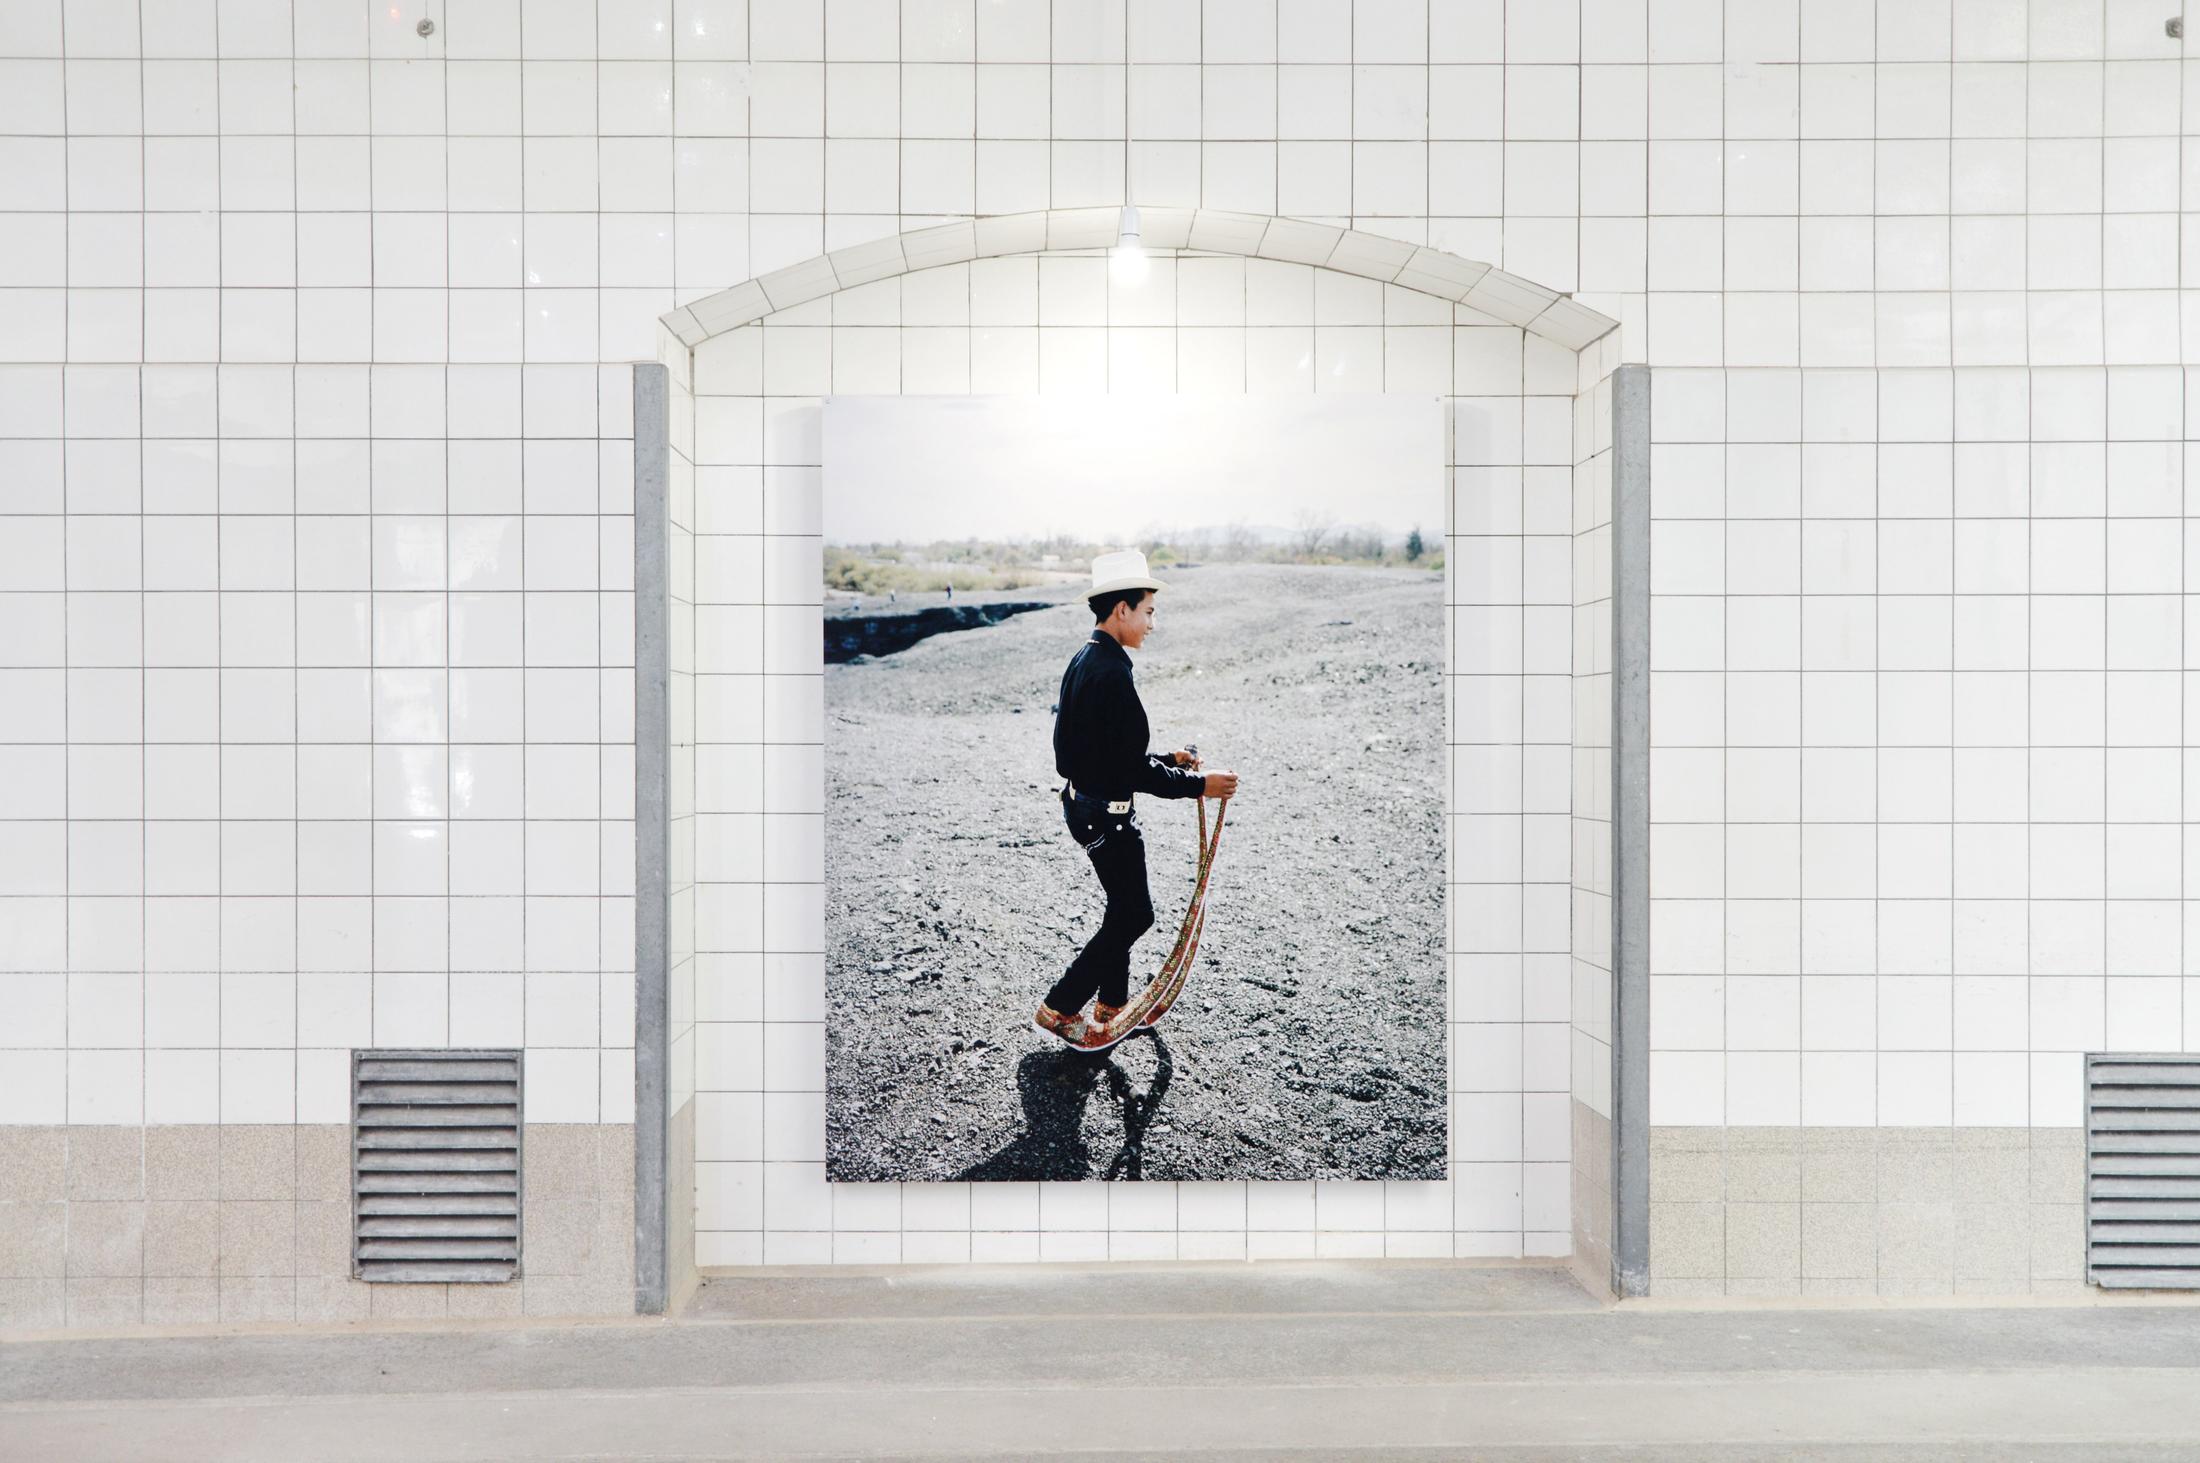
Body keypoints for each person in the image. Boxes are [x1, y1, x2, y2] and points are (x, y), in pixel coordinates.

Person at [1036, 549, 1238, 1051]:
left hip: (1084, 806)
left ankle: (1111, 1006)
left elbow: (1090, 750)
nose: (1153, 622)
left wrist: (1166, 757)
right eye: (1148, 611)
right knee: (1135, 915)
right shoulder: (1111, 673)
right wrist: (1199, 784)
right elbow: (1126, 768)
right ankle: (1061, 1007)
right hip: (1107, 817)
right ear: (1120, 610)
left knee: (1121, 907)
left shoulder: (1087, 659)